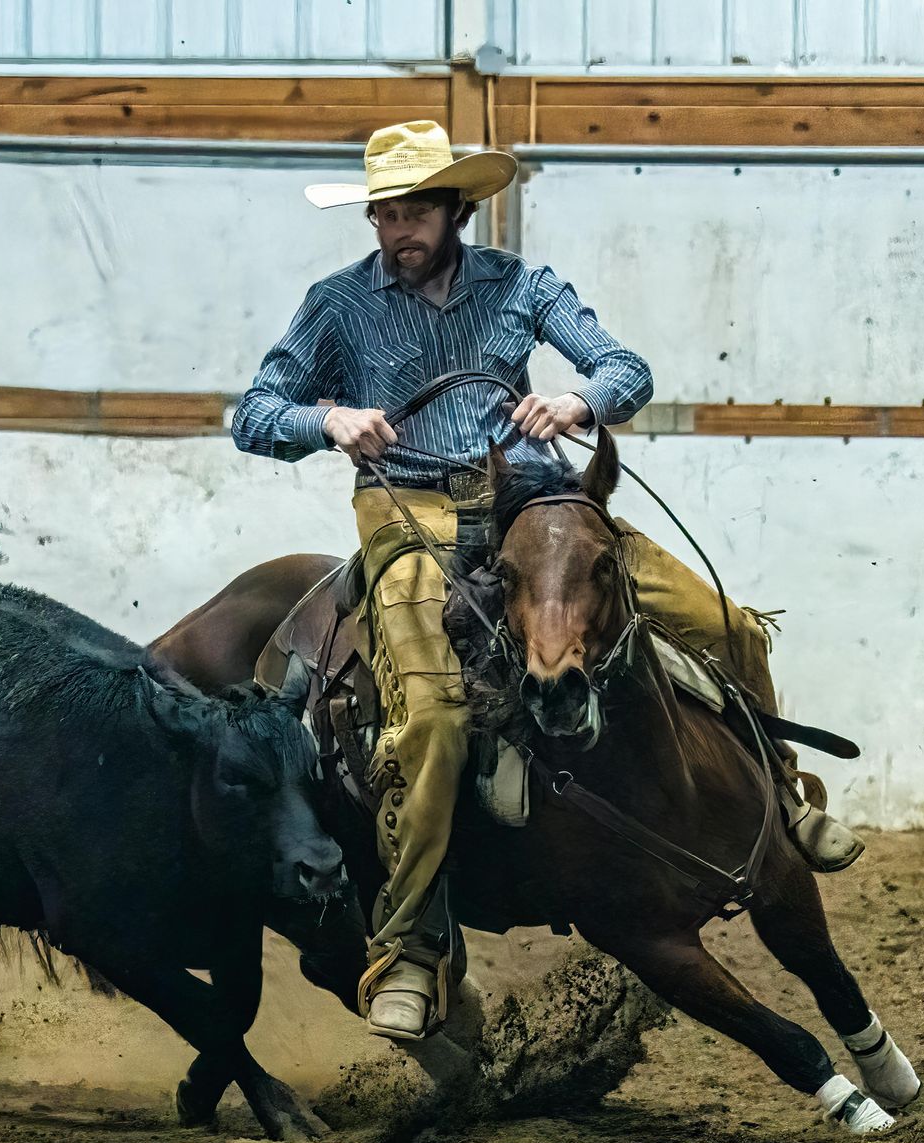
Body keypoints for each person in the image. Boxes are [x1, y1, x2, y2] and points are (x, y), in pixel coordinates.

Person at [232, 120, 861, 1041]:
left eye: (412, 211)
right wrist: (328, 421)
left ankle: (786, 795)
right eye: (383, 213)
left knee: (729, 628)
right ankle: (408, 944)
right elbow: (253, 412)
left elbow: (625, 368)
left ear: (457, 210)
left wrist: (578, 400)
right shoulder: (335, 306)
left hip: (535, 508)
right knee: (437, 720)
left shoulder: (521, 287)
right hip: (411, 516)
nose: (395, 229)